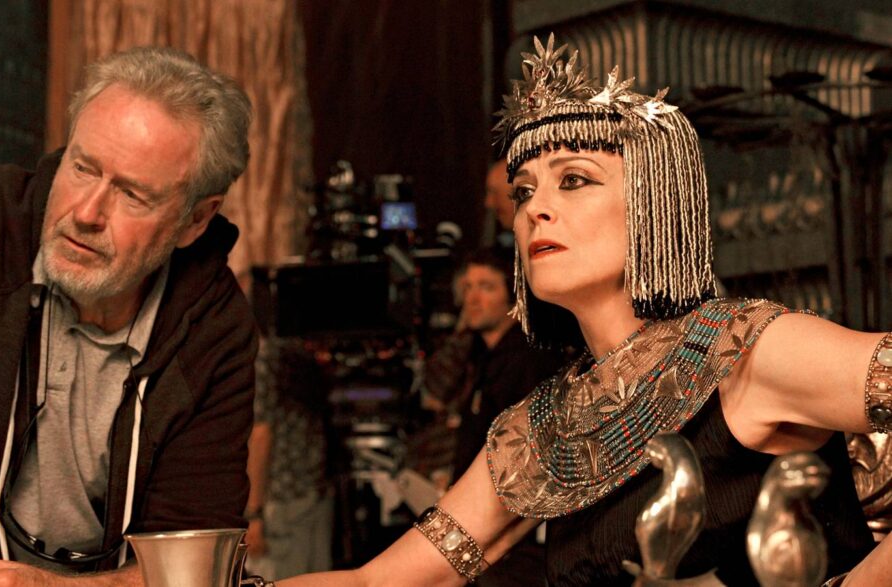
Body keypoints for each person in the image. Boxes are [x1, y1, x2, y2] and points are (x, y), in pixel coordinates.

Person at [277, 34, 892, 586]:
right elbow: (382, 581)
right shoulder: (542, 430)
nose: (534, 209)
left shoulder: (747, 349)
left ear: (651, 204)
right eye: (523, 191)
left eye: (573, 179)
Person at [0, 46, 258, 586]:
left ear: (196, 220)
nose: (85, 213)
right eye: (82, 167)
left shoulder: (214, 329)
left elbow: (188, 570)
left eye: (132, 195)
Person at [422, 248, 566, 586]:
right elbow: (432, 392)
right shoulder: (479, 354)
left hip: (509, 538)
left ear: (513, 296)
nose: (472, 298)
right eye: (467, 287)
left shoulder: (528, 360)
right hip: (477, 524)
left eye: (486, 287)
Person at [244, 338, 333, 579]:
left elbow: (261, 434)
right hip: (314, 492)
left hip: (279, 501)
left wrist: (254, 514)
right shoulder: (296, 350)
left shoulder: (260, 357)